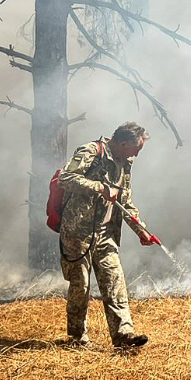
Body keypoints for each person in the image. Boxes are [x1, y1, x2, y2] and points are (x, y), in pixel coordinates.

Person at [56, 121, 160, 349]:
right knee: (80, 286)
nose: (138, 155)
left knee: (115, 282)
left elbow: (125, 201)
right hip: (78, 233)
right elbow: (66, 178)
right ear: (123, 144)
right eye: (137, 149)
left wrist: (141, 230)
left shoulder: (126, 163)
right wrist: (100, 188)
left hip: (106, 235)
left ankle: (124, 336)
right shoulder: (91, 151)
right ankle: (77, 339)